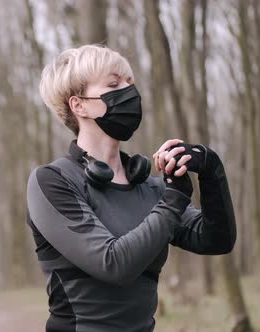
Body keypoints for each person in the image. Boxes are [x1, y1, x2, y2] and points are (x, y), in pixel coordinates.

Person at [26, 44, 236, 332]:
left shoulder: (149, 188)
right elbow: (113, 264)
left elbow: (216, 240)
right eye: (114, 84)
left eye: (130, 83)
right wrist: (173, 199)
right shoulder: (52, 182)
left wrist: (211, 170)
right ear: (79, 105)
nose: (129, 91)